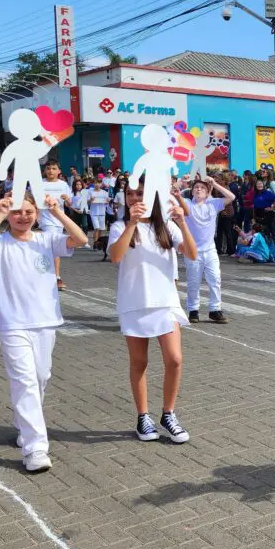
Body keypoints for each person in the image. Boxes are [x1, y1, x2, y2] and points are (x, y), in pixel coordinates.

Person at [0, 193, 87, 472]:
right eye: (16, 212)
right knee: (24, 381)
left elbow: (81, 240)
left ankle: (25, 423)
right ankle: (35, 447)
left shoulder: (47, 239)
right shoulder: (1, 243)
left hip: (45, 321)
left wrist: (57, 212)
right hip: (12, 322)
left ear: (36, 213)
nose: (22, 217)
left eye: (28, 212)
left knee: (40, 377)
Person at [109, 181, 198, 443]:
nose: (135, 198)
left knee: (174, 359)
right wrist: (131, 224)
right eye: (130, 194)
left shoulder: (166, 226)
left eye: (140, 193)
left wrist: (182, 222)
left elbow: (192, 254)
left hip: (165, 302)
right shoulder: (119, 226)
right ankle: (142, 417)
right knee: (139, 363)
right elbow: (115, 256)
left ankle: (168, 414)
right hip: (134, 302)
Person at [183, 177, 234, 324]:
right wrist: (183, 183)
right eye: (196, 187)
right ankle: (193, 310)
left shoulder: (214, 203)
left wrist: (215, 184)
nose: (199, 189)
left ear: (207, 192)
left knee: (215, 279)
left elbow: (231, 197)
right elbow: (171, 196)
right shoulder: (186, 204)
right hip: (192, 251)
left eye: (202, 188)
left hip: (210, 249)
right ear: (192, 191)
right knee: (193, 282)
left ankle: (215, 310)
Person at [38, 161, 73, 289]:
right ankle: (56, 277)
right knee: (52, 248)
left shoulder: (63, 185)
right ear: (45, 171)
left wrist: (67, 199)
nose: (51, 171)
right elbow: (31, 200)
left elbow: (70, 204)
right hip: (46, 220)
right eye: (48, 169)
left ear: (59, 171)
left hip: (59, 221)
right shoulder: (39, 184)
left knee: (52, 249)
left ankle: (50, 275)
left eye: (54, 168)